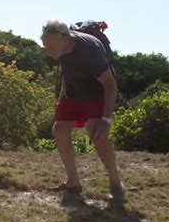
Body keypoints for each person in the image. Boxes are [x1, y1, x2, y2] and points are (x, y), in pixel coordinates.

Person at [40, 19, 125, 207]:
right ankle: (73, 181)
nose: (47, 50)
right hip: (73, 90)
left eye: (50, 46)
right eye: (44, 45)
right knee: (59, 130)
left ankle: (115, 183)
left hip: (97, 92)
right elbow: (67, 70)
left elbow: (111, 87)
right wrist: (62, 96)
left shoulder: (89, 51)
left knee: (97, 135)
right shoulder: (59, 47)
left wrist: (105, 120)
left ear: (65, 40)